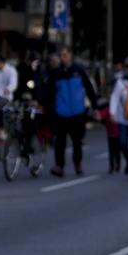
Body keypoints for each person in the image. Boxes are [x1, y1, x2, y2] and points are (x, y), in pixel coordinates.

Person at [47, 47, 97, 177]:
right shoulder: (56, 73)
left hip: (77, 112)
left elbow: (89, 88)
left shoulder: (79, 71)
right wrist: (47, 106)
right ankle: (59, 166)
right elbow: (49, 91)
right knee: (60, 142)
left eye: (65, 54)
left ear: (70, 55)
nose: (63, 57)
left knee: (77, 141)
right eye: (61, 55)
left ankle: (77, 163)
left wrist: (94, 105)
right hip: (61, 112)